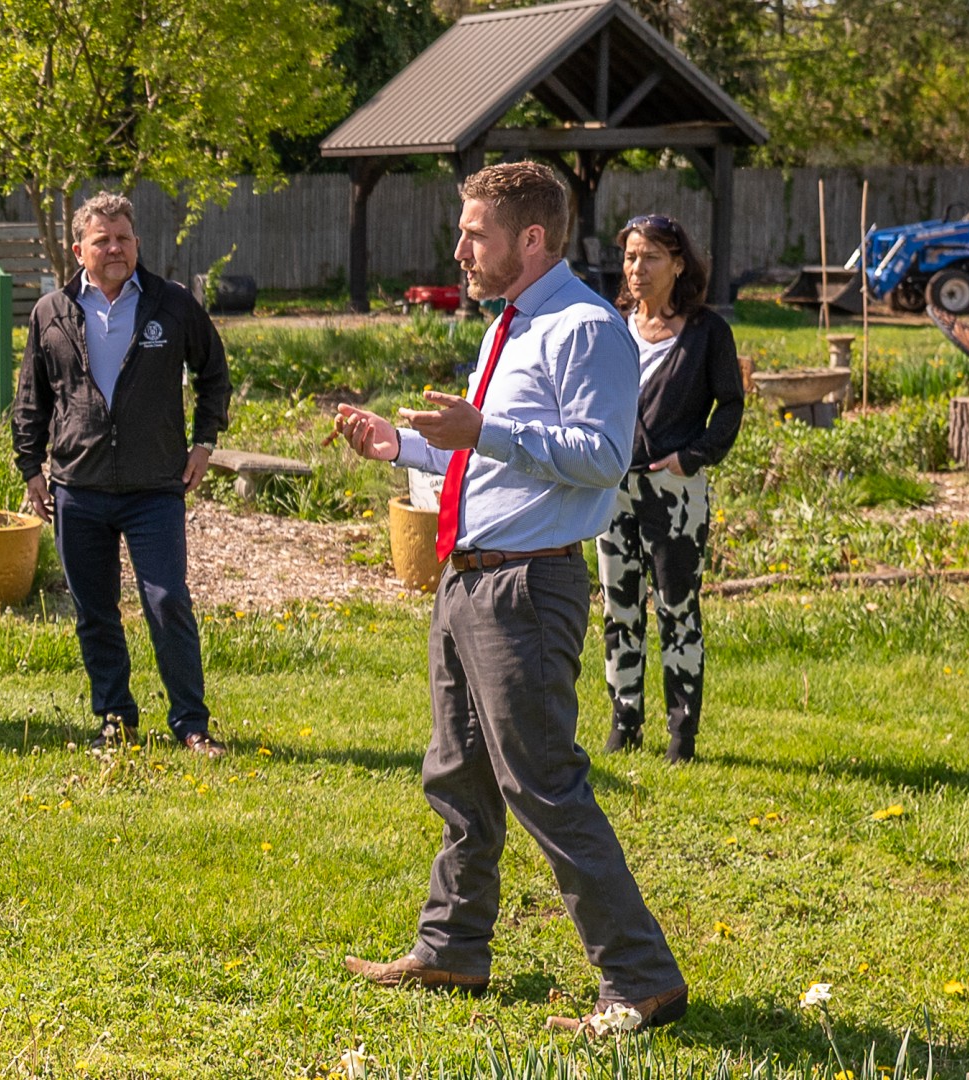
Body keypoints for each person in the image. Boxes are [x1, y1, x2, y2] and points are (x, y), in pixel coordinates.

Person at [332, 163, 687, 1034]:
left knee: (544, 783)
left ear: (531, 238)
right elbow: (486, 454)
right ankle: (452, 948)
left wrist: (484, 428)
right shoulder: (511, 324)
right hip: (469, 578)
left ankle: (639, 979)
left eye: (474, 233)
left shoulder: (585, 328)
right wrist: (401, 446)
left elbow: (603, 457)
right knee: (457, 774)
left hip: (527, 586)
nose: (459, 249)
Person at [11, 192, 232, 758]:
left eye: (124, 238)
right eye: (102, 240)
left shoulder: (171, 304)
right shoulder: (51, 311)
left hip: (154, 486)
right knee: (95, 612)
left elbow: (213, 373)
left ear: (137, 244)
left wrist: (204, 442)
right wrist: (31, 466)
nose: (115, 248)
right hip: (77, 487)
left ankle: (192, 724)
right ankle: (116, 719)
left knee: (167, 600)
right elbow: (31, 398)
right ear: (79, 250)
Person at [599, 214, 744, 763]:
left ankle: (682, 736)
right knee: (619, 608)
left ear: (679, 264)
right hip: (613, 491)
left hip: (676, 495)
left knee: (677, 609)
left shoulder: (707, 333)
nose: (637, 268)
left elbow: (730, 406)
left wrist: (693, 457)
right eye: (631, 257)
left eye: (651, 257)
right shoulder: (612, 327)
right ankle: (624, 724)